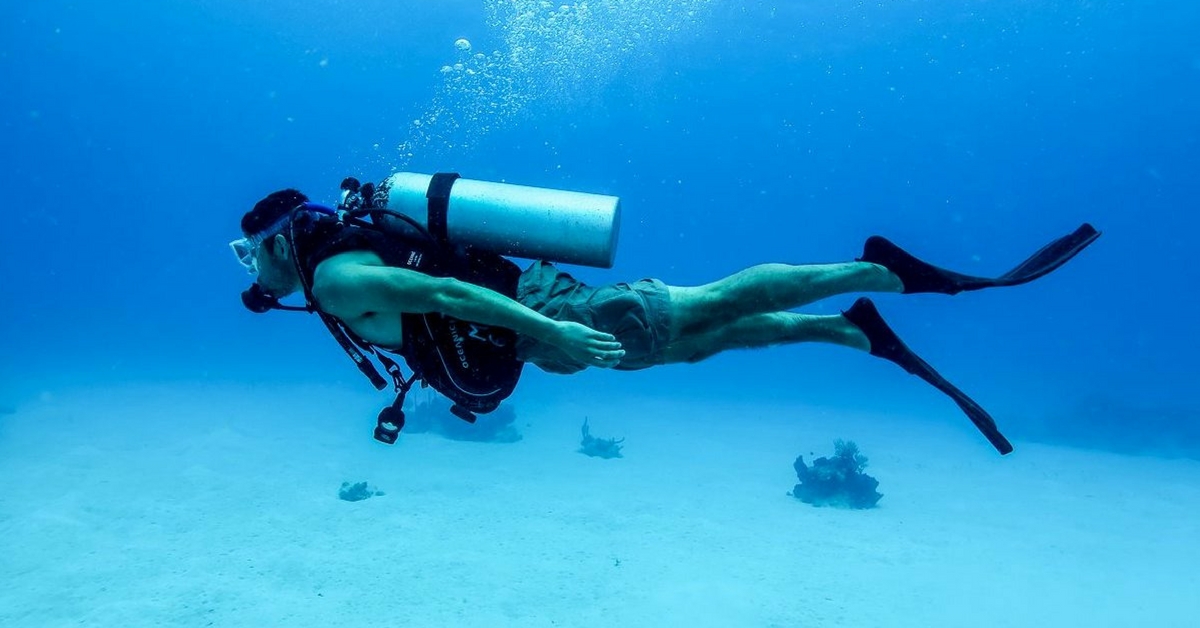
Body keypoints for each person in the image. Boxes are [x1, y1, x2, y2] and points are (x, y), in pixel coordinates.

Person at [232, 186, 1100, 454]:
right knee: (685, 347)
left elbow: (453, 299)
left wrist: (566, 331)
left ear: (279, 243)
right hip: (536, 333)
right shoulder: (332, 276)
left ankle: (885, 271)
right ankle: (856, 329)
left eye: (249, 255)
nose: (252, 272)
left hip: (545, 316)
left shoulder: (339, 278)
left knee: (706, 304)